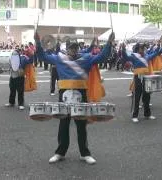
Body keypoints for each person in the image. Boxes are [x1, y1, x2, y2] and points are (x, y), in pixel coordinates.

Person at [35, 31, 114, 165]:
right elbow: (42, 56)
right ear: (67, 48)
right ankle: (60, 152)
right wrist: (37, 41)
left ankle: (85, 153)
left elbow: (102, 56)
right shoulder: (59, 58)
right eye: (71, 47)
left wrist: (109, 43)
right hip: (64, 93)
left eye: (75, 47)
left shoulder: (87, 58)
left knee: (81, 124)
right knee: (63, 124)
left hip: (81, 92)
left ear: (78, 48)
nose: (73, 50)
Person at [121, 42, 162, 123]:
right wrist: (123, 49)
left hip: (146, 78)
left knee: (147, 96)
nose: (142, 49)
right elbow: (125, 57)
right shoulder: (134, 56)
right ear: (137, 49)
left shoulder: (147, 56)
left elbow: (155, 53)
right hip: (138, 78)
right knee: (137, 96)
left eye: (143, 48)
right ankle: (135, 115)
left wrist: (159, 46)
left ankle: (147, 114)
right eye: (141, 48)